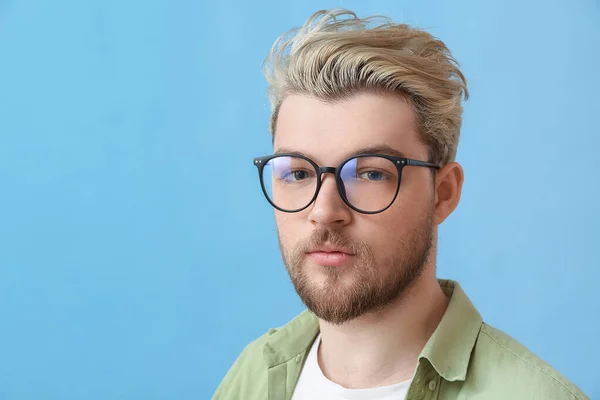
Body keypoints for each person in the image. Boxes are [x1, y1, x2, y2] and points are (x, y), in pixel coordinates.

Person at [212, 8, 589, 400]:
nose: (323, 211)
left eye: (370, 174)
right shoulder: (252, 375)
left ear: (443, 193)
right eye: (299, 173)